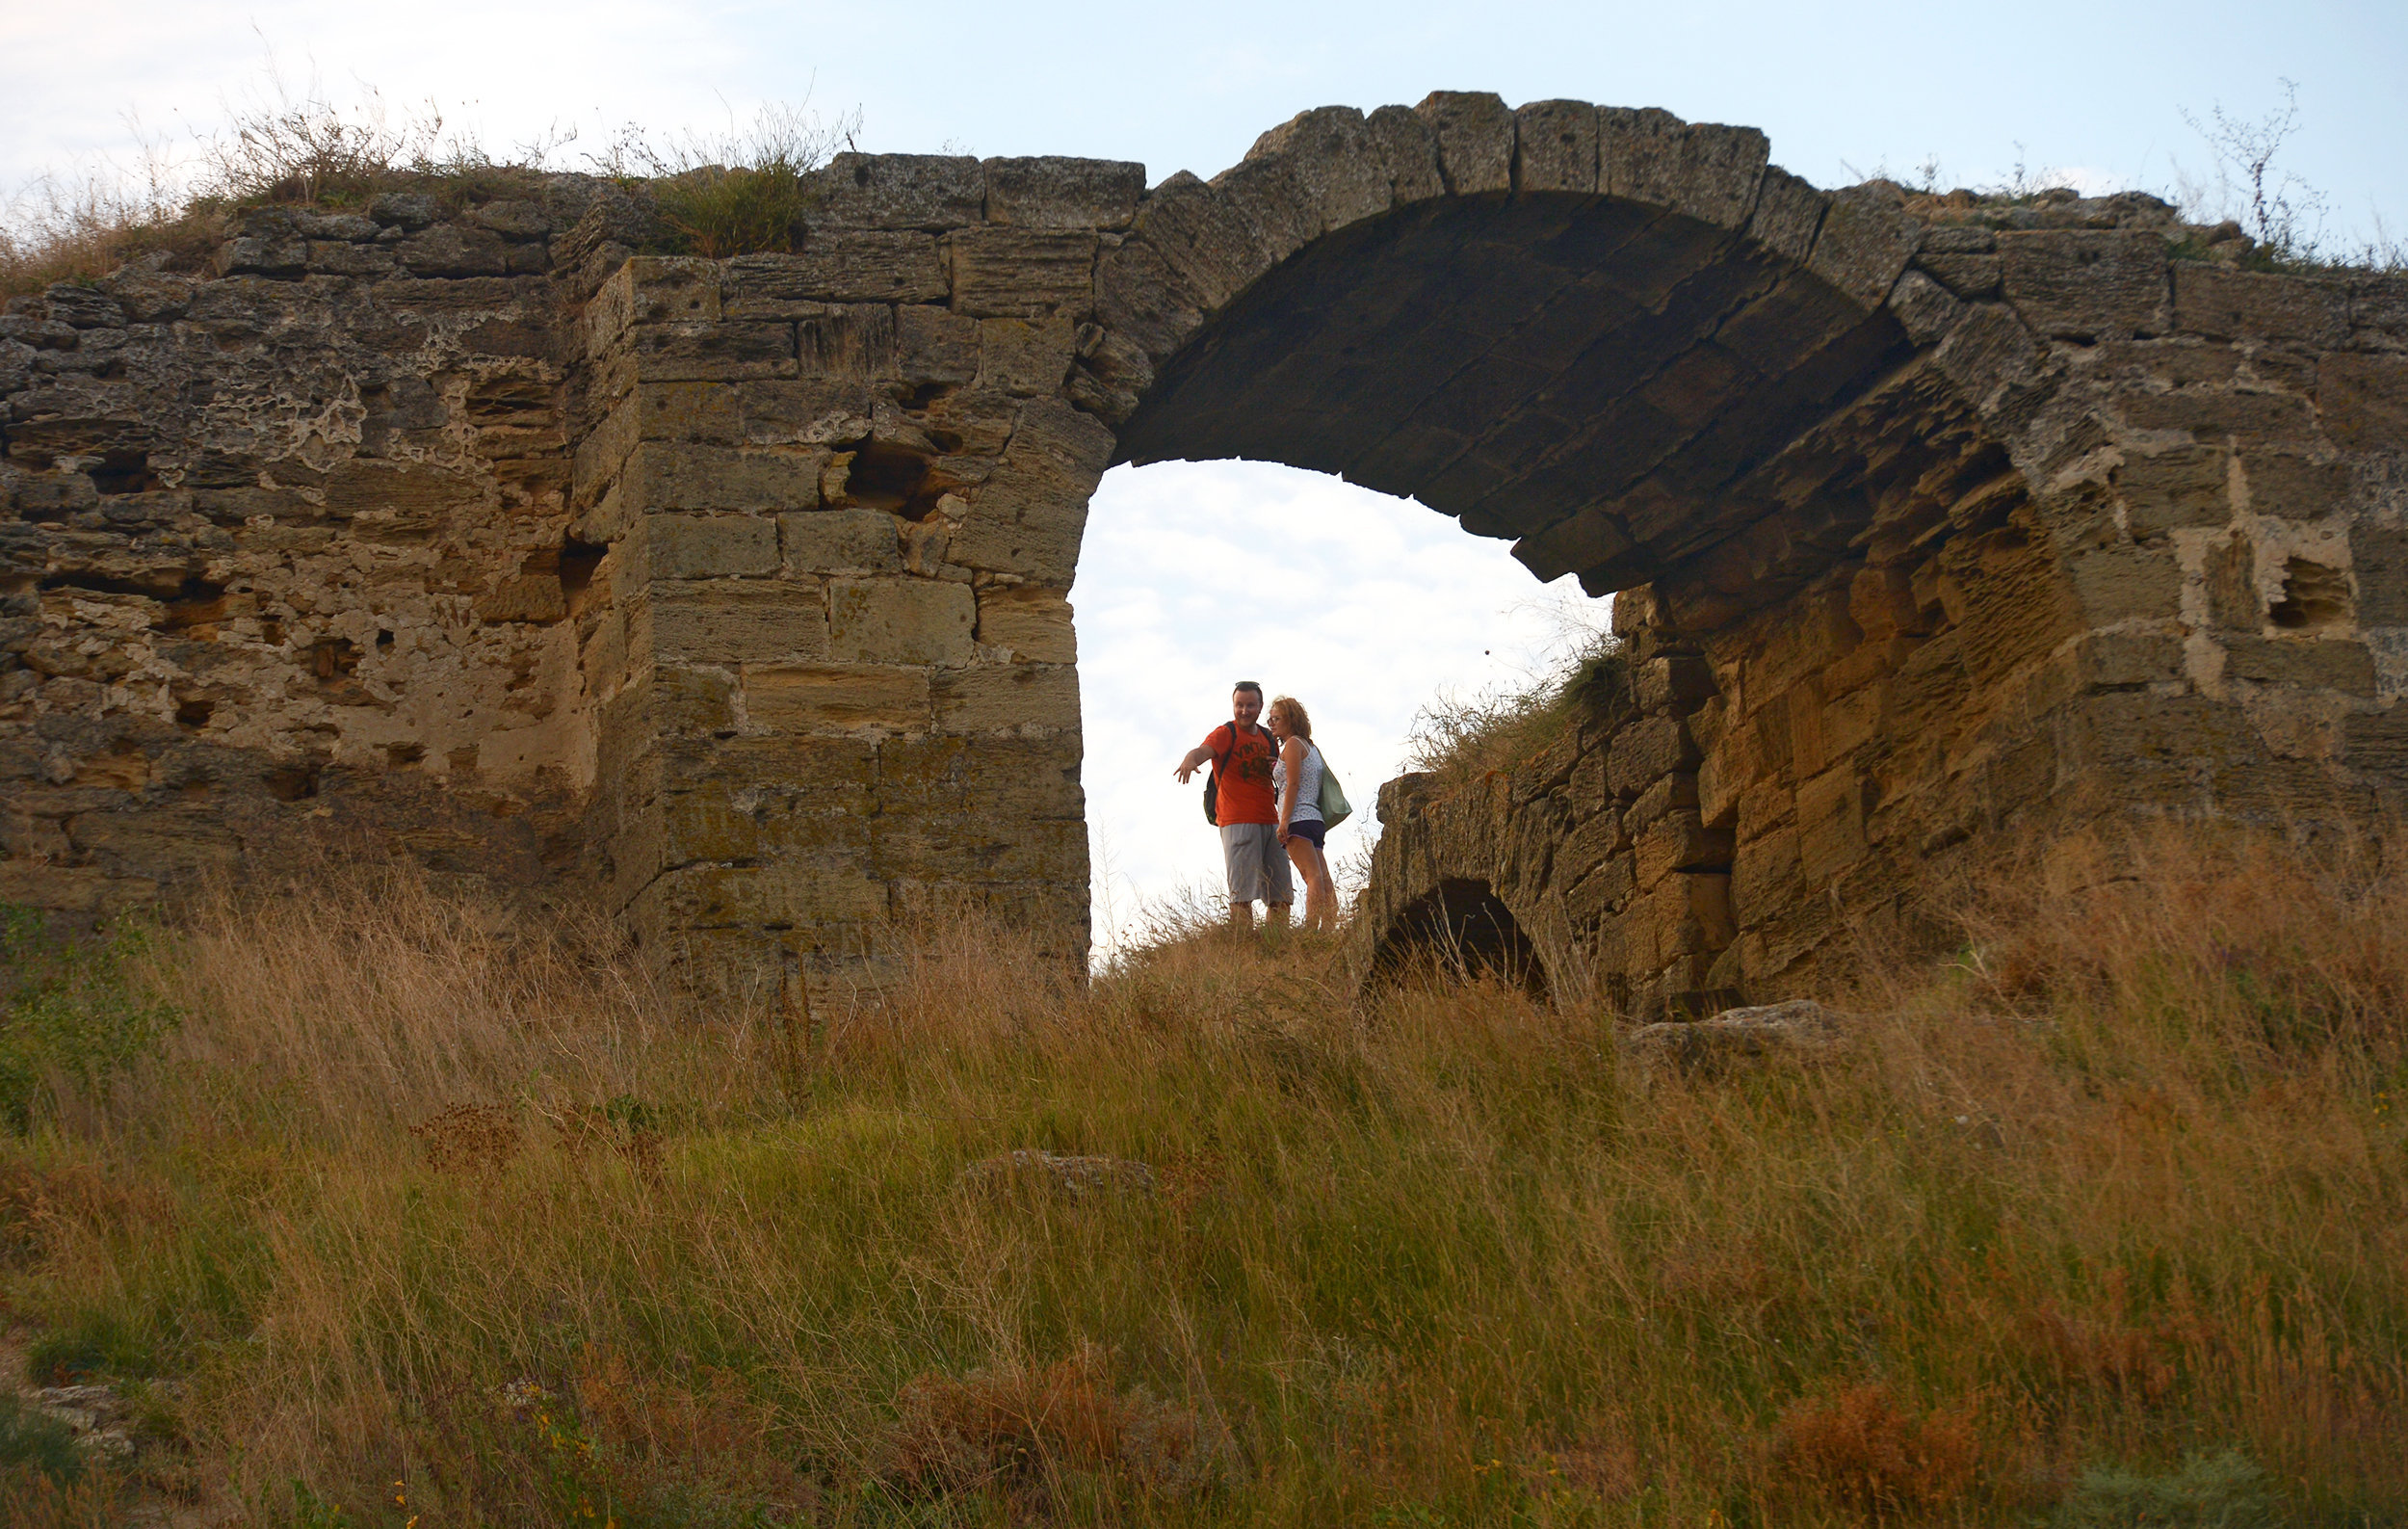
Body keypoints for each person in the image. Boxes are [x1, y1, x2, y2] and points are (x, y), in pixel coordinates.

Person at [1172, 680, 1293, 933]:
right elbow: (1202, 751)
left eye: (1250, 705)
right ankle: (1245, 947)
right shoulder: (1226, 733)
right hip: (1237, 821)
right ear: (1233, 706)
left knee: (1280, 894)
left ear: (1260, 708)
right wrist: (1188, 760)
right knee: (1242, 895)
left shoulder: (1268, 738)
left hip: (1271, 821)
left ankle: (1279, 947)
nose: (1244, 711)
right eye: (1239, 705)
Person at [1267, 696, 1338, 933]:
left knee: (1312, 876)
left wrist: (1283, 822)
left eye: (1277, 718)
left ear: (1291, 719)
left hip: (1297, 818)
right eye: (1270, 719)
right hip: (1314, 819)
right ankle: (1328, 928)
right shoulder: (1311, 747)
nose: (1272, 723)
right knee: (1323, 877)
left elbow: (1294, 784)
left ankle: (1310, 929)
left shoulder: (1293, 745)